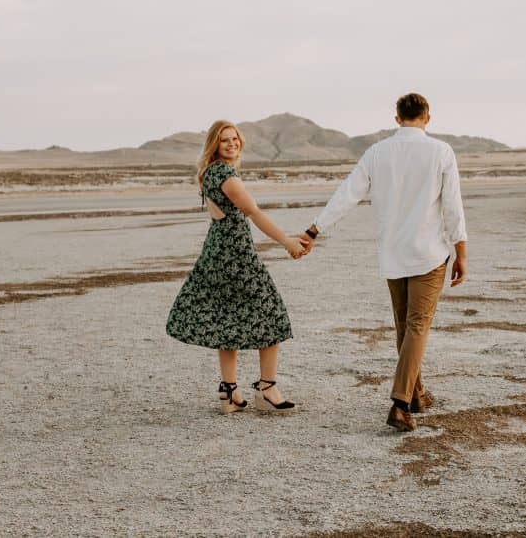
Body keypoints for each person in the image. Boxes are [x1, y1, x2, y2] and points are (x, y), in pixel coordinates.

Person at [300, 93, 467, 432]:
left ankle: (417, 394)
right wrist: (461, 250)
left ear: (396, 119)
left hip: (393, 254)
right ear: (427, 117)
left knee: (406, 328)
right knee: (417, 326)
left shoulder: (377, 153)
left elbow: (347, 193)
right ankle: (400, 403)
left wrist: (315, 229)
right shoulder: (440, 151)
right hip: (428, 254)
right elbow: (452, 206)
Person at [166, 120, 308, 414]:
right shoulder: (226, 174)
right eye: (224, 140)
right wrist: (288, 242)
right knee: (271, 314)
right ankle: (267, 389)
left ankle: (229, 392)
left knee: (225, 317)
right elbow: (253, 213)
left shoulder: (209, 173)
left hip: (216, 250)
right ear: (214, 146)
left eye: (234, 139)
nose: (231, 144)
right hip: (235, 254)